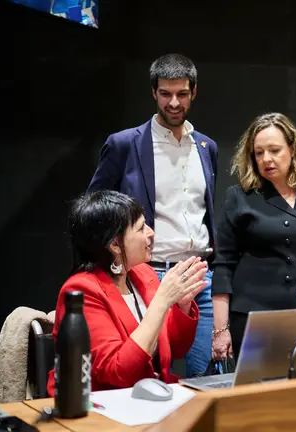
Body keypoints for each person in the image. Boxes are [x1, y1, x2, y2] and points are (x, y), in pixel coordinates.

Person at [87, 53, 217, 377]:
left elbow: (206, 214)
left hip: (200, 277)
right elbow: (94, 209)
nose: (174, 102)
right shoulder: (125, 144)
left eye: (182, 94)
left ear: (194, 92)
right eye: (165, 93)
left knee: (201, 377)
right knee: (150, 377)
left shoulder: (206, 147)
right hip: (150, 275)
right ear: (153, 92)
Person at [46, 191, 208, 394]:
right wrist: (162, 301)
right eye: (141, 228)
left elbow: (176, 350)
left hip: (150, 395)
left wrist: (181, 307)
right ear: (114, 244)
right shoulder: (81, 290)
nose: (151, 232)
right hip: (97, 406)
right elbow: (119, 372)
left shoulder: (142, 274)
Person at [211, 113, 296, 360]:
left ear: (292, 149)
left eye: (274, 150)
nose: (266, 159)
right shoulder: (239, 196)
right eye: (258, 153)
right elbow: (223, 266)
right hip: (255, 320)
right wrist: (220, 330)